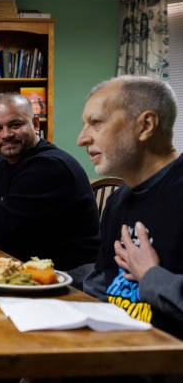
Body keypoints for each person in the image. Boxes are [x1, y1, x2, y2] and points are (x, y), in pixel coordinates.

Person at [77, 75, 183, 340]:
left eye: (96, 123)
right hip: (111, 347)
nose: (82, 139)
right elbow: (102, 282)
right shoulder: (118, 201)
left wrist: (149, 275)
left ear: (145, 125)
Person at [0, 94, 101, 271]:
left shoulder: (48, 166)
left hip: (66, 276)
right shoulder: (1, 166)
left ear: (35, 125)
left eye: (15, 125)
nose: (6, 135)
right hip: (21, 265)